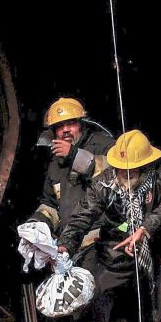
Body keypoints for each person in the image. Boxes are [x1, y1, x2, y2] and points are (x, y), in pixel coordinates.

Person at [58, 130, 161, 322]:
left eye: (131, 169)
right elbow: (83, 216)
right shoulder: (103, 185)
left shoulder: (160, 174)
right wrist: (65, 245)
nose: (126, 174)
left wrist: (145, 228)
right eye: (121, 169)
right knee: (96, 292)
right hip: (118, 249)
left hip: (158, 246)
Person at [28, 97, 113, 239]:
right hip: (71, 243)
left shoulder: (104, 145)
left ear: (81, 124)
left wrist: (74, 155)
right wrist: (37, 224)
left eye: (71, 123)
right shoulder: (56, 163)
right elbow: (51, 203)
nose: (65, 130)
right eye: (60, 126)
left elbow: (118, 176)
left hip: (105, 240)